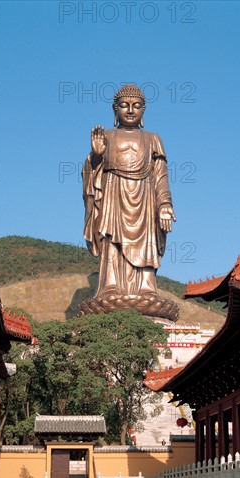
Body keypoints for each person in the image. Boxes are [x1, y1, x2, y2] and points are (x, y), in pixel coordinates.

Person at [80, 84, 178, 319]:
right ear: (115, 110)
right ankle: (110, 286)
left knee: (147, 242)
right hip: (113, 193)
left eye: (136, 106)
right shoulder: (108, 136)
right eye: (124, 106)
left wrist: (164, 204)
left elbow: (161, 176)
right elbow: (91, 175)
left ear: (144, 110)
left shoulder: (153, 139)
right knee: (111, 241)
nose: (130, 111)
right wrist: (96, 156)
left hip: (144, 197)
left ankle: (146, 288)